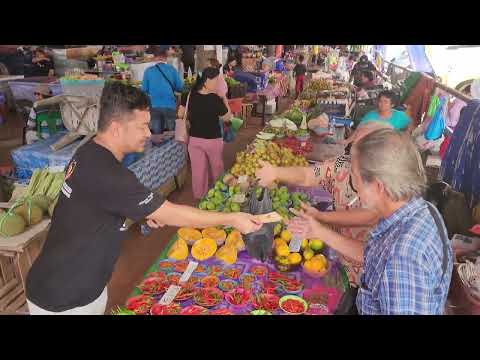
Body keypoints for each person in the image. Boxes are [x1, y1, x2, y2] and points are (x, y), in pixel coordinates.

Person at [25, 82, 261, 315]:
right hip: (63, 299)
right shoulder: (108, 174)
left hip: (79, 285)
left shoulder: (90, 152)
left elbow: (96, 208)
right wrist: (232, 218)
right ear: (116, 128)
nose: (149, 134)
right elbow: (171, 212)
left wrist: (138, 215)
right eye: (143, 126)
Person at [288, 128, 453, 315]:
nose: (354, 185)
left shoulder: (403, 258)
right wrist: (319, 231)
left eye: (355, 177)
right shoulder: (420, 210)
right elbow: (374, 255)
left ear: (378, 186)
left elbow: (392, 260)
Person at [255, 122, 391, 285]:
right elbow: (308, 175)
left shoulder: (387, 180)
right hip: (340, 256)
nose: (358, 152)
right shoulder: (342, 164)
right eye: (357, 145)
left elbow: (370, 216)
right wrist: (275, 172)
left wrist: (322, 218)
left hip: (370, 270)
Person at [178, 67, 232, 200]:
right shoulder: (215, 99)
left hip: (195, 140)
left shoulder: (189, 95)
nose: (217, 84)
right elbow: (227, 118)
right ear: (206, 81)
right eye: (215, 81)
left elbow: (180, 114)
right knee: (217, 170)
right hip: (213, 140)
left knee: (198, 172)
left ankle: (200, 198)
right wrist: (224, 98)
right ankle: (219, 196)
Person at [141, 45, 183, 134]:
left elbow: (144, 89)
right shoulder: (172, 70)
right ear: (166, 57)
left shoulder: (148, 71)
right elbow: (180, 87)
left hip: (154, 106)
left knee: (157, 134)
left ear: (155, 57)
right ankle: (173, 147)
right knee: (173, 134)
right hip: (170, 105)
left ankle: (159, 147)